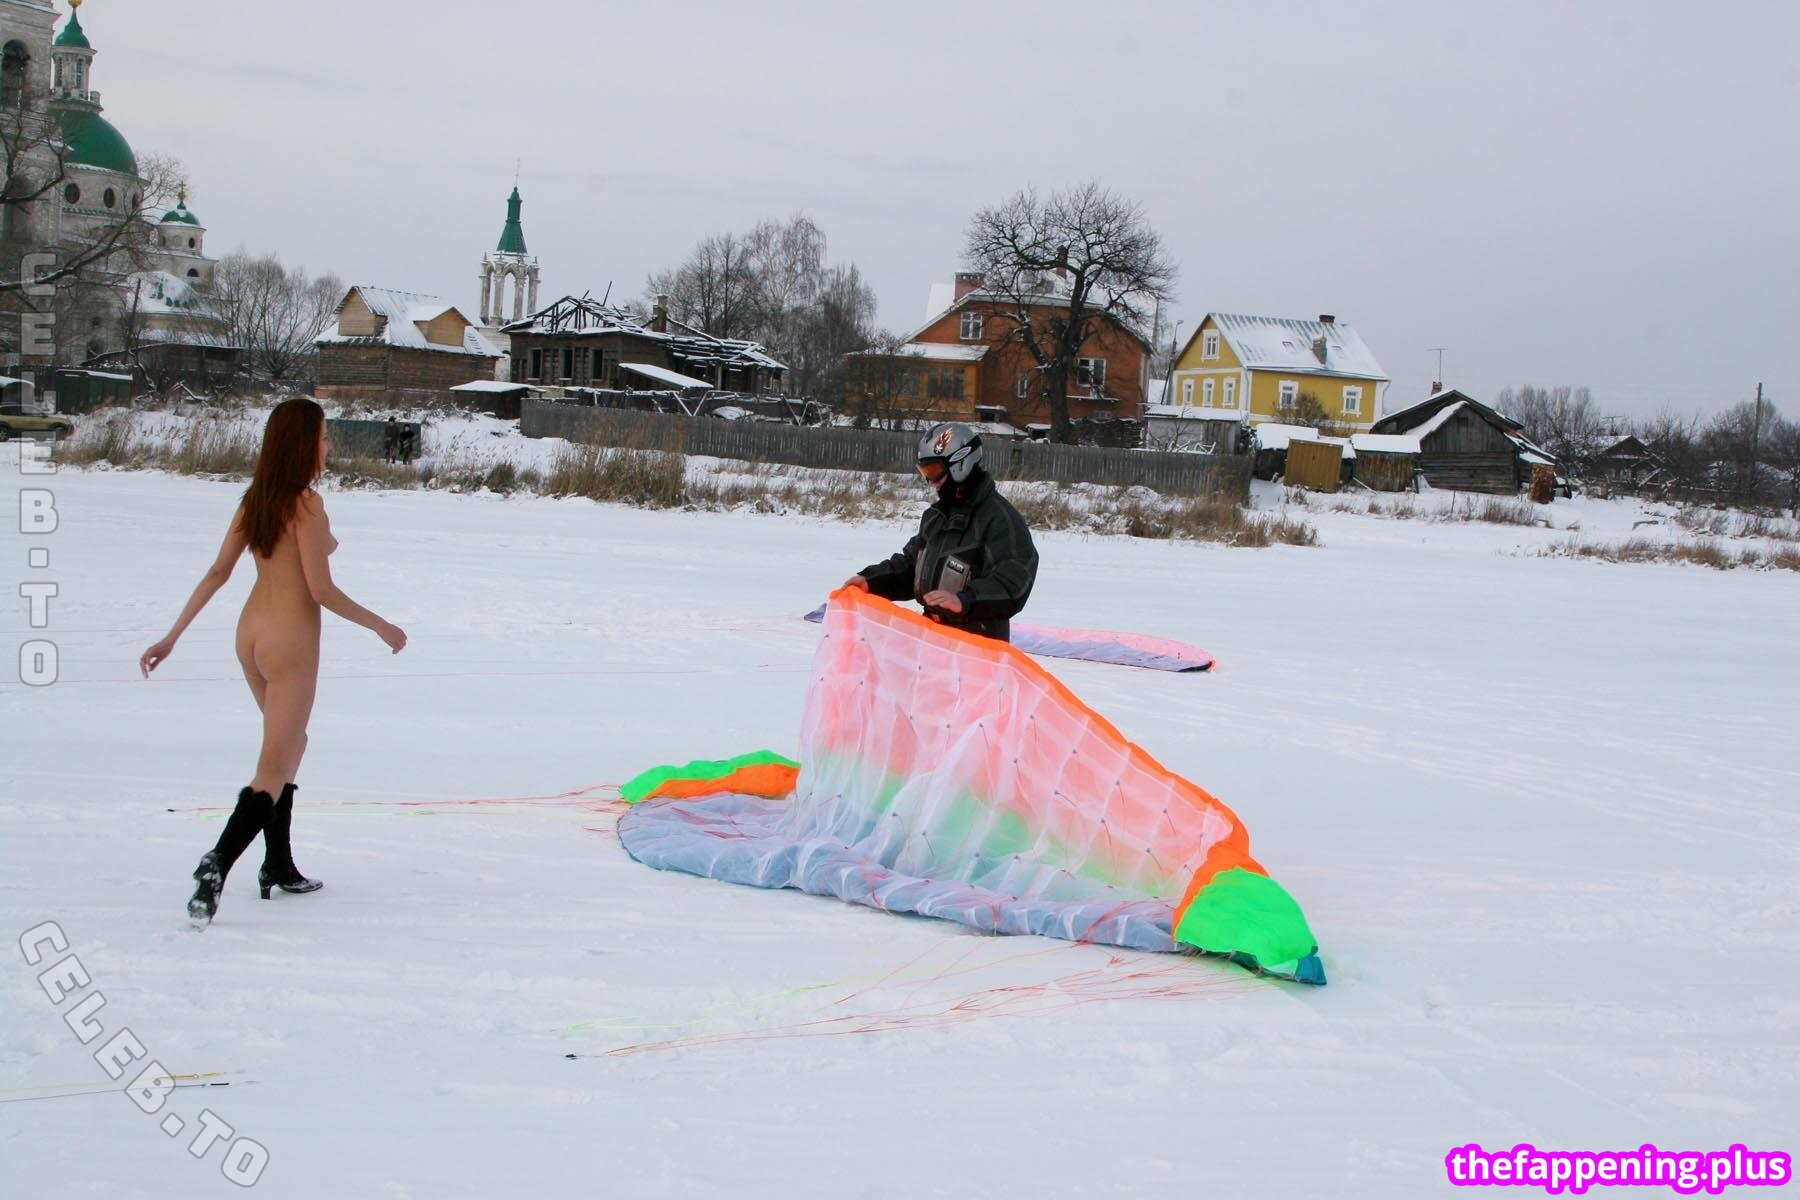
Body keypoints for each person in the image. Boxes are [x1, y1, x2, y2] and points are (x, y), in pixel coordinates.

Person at [140, 398, 408, 926]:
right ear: (304, 445)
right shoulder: (305, 504)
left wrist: (172, 637)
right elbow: (321, 590)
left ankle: (278, 864)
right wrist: (381, 625)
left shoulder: (256, 499)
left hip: (251, 635)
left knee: (290, 747)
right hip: (289, 641)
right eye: (323, 437)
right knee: (273, 767)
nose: (327, 446)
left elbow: (218, 572)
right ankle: (218, 862)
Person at [844, 422, 1038, 642]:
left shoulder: (1000, 519)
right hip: (934, 640)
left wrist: (965, 600)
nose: (931, 482)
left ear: (960, 464)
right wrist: (872, 581)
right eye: (925, 473)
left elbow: (1013, 583)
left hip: (978, 644)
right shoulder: (936, 517)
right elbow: (911, 565)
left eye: (934, 472)